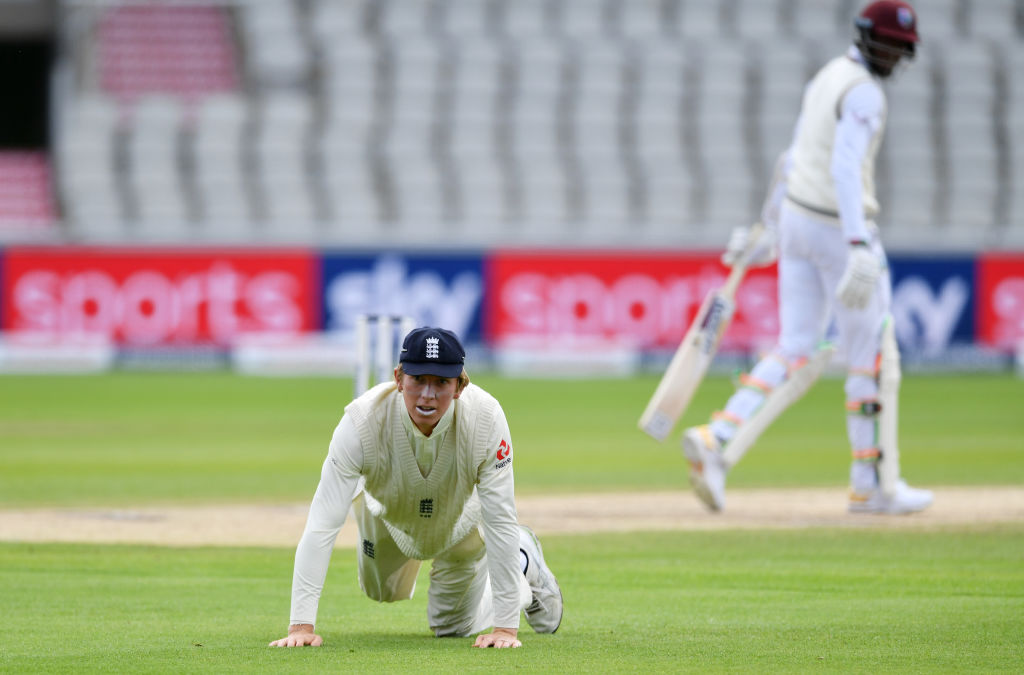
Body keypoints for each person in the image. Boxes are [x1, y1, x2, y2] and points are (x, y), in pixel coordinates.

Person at [681, 1, 933, 515]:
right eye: (888, 45)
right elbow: (843, 168)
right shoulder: (864, 92)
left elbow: (790, 159)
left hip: (798, 217)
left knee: (795, 345)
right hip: (839, 229)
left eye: (899, 49)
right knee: (873, 354)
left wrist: (770, 228)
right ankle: (873, 485)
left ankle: (718, 439)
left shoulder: (828, 75)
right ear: (867, 39)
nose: (892, 56)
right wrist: (859, 241)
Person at [269, 326, 562, 649]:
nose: (427, 395)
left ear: (460, 385)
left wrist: (505, 629)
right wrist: (300, 625)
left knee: (451, 627)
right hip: (388, 519)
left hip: (461, 524)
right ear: (398, 378)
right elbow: (323, 522)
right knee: (380, 591)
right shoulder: (360, 422)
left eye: (441, 383)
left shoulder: (486, 418)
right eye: (418, 379)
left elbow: (500, 519)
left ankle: (522, 561)